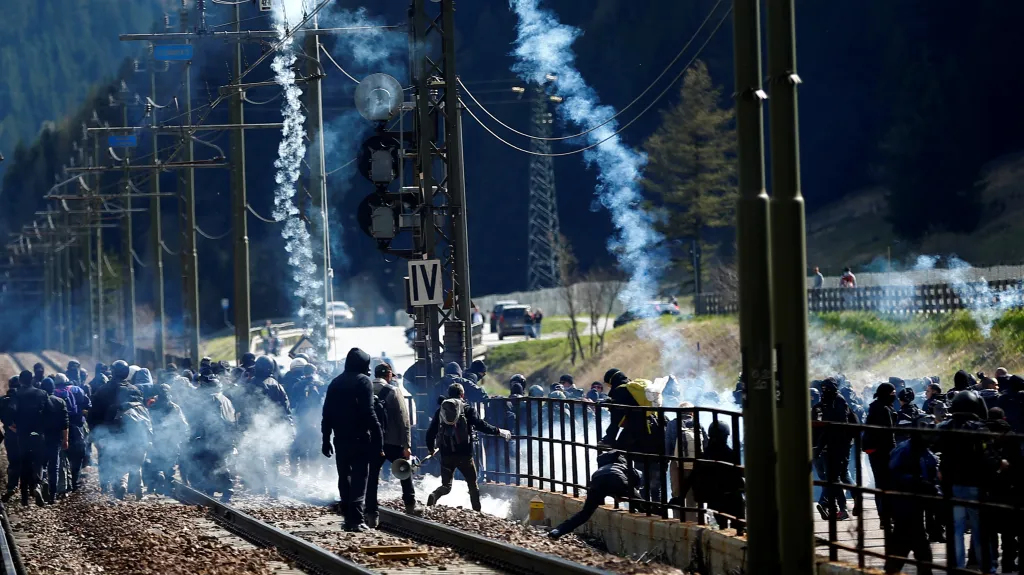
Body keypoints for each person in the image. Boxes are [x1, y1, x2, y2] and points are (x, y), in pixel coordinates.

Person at [936, 390, 1003, 573]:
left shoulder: (944, 427)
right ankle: (987, 568)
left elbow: (935, 446)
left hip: (952, 485)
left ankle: (956, 568)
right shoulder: (979, 428)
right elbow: (989, 456)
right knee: (980, 530)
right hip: (975, 484)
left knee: (955, 531)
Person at [322, 348, 383, 532]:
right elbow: (368, 412)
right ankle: (356, 519)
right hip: (359, 439)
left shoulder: (335, 382)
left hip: (339, 439)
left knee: (344, 478)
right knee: (359, 479)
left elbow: (327, 414)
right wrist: (378, 436)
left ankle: (348, 517)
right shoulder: (363, 381)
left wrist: (326, 439)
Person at [425, 382, 510, 511]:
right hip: (465, 454)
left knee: (446, 486)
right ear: (462, 395)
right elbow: (481, 425)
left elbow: (430, 432)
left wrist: (431, 449)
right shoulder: (467, 409)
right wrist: (499, 431)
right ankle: (477, 510)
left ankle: (434, 495)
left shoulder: (441, 410)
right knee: (472, 483)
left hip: (446, 453)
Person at [885, 417, 940, 575]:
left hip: (915, 507)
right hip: (904, 506)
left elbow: (932, 473)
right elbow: (893, 475)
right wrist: (917, 482)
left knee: (904, 548)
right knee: (918, 549)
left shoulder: (925, 451)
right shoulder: (904, 450)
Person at [366, 363, 418, 527]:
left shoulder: (365, 390)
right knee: (404, 472)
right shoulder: (394, 391)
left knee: (372, 478)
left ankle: (372, 514)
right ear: (388, 375)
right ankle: (410, 505)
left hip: (372, 442)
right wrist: (406, 445)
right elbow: (404, 419)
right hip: (393, 442)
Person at [548, 451, 642, 539]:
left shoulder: (600, 469)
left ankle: (558, 531)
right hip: (617, 479)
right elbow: (635, 482)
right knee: (641, 504)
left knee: (585, 513)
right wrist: (624, 495)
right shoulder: (624, 467)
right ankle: (654, 513)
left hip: (597, 480)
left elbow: (591, 487)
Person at [677, 421, 745, 531]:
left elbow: (692, 477)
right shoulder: (730, 455)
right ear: (725, 436)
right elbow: (739, 476)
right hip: (731, 498)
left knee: (718, 527)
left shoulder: (704, 456)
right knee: (739, 526)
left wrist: (681, 497)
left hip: (713, 499)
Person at [813, 378, 859, 521]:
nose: (824, 392)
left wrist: (819, 447)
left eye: (826, 389)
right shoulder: (823, 405)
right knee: (839, 475)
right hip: (831, 445)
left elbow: (833, 427)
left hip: (839, 445)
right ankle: (836, 504)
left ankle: (839, 507)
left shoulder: (838, 402)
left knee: (835, 477)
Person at [188, 372, 236, 501]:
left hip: (215, 438)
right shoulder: (225, 399)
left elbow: (208, 421)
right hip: (225, 436)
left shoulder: (212, 399)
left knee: (214, 463)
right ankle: (214, 489)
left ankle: (227, 489)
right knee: (215, 463)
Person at [863, 382, 897, 534]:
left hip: (875, 452)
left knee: (880, 484)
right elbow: (889, 434)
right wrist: (895, 452)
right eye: (892, 393)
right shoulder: (884, 408)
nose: (894, 395)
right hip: (884, 452)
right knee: (888, 485)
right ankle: (888, 517)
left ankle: (884, 517)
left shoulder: (874, 406)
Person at [14, 370, 51, 506]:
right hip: (38, 434)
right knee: (38, 462)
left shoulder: (16, 394)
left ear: (20, 381)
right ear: (32, 379)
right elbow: (49, 412)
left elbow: (10, 412)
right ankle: (36, 486)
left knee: (24, 463)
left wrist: (13, 426)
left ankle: (24, 498)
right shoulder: (42, 393)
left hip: (23, 435)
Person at [145, 384, 189, 495]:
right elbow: (183, 424)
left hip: (156, 439)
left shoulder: (152, 406)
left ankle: (156, 479)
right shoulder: (174, 407)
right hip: (172, 440)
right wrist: (184, 436)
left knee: (155, 462)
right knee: (170, 464)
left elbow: (148, 422)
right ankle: (167, 487)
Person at [52, 374, 89, 492]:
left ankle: (63, 485)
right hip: (77, 427)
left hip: (59, 429)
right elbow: (88, 404)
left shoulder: (52, 393)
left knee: (62, 456)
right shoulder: (76, 389)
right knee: (78, 455)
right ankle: (75, 482)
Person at [38, 378, 69, 504]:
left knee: (41, 464)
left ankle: (43, 482)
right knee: (54, 467)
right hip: (55, 438)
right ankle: (52, 496)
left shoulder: (38, 402)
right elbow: (65, 424)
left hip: (40, 438)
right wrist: (66, 439)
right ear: (53, 388)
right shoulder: (60, 402)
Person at [0, 379, 19, 501]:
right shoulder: (25, 399)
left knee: (13, 461)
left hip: (10, 435)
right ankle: (32, 486)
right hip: (26, 435)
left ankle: (12, 486)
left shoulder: (2, 400)